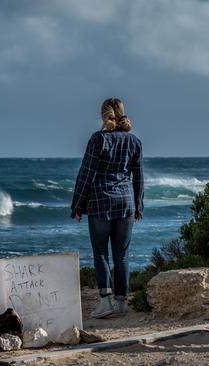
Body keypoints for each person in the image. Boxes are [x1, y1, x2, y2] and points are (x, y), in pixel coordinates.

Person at [70, 97, 143, 318]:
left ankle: (106, 301)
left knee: (100, 252)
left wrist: (77, 204)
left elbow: (86, 174)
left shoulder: (97, 140)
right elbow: (138, 177)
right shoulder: (134, 142)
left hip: (100, 201)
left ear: (104, 115)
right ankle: (121, 304)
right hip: (126, 202)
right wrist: (138, 205)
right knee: (122, 255)